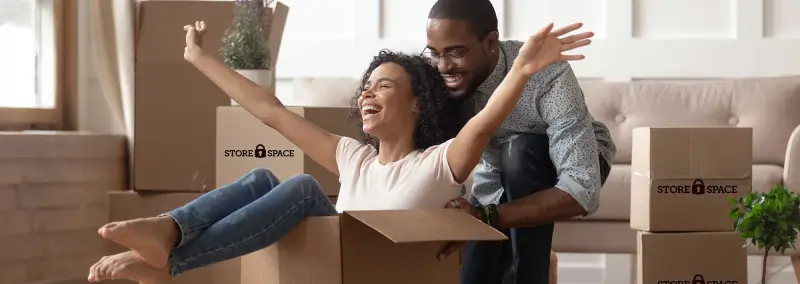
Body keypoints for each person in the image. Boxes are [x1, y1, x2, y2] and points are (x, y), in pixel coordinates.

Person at [85, 19, 593, 284]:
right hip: (328, 273)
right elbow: (269, 111)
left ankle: (168, 261)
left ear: (418, 104)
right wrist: (199, 58)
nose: (367, 94)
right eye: (365, 87)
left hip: (372, 276)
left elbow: (483, 126)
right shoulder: (354, 157)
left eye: (384, 86)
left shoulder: (437, 165)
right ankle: (169, 232)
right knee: (264, 177)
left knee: (304, 187)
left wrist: (523, 70)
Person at [423, 1, 617, 284]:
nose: (443, 66)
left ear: (490, 42)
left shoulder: (545, 71)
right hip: (496, 173)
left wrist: (485, 216)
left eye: (455, 52)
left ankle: (533, 274)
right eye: (434, 54)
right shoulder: (440, 79)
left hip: (573, 158)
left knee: (520, 152)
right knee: (474, 277)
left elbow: (581, 187)